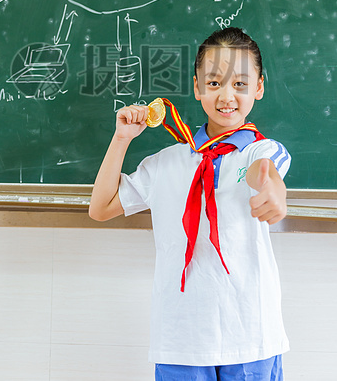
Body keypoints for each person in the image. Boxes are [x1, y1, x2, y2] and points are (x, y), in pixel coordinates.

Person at [89, 27, 290, 381]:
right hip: (181, 339)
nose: (227, 96)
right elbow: (101, 207)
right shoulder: (166, 162)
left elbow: (265, 171)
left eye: (240, 84)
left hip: (251, 336)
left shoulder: (259, 149)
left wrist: (274, 190)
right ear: (197, 86)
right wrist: (121, 139)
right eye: (214, 83)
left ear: (259, 87)